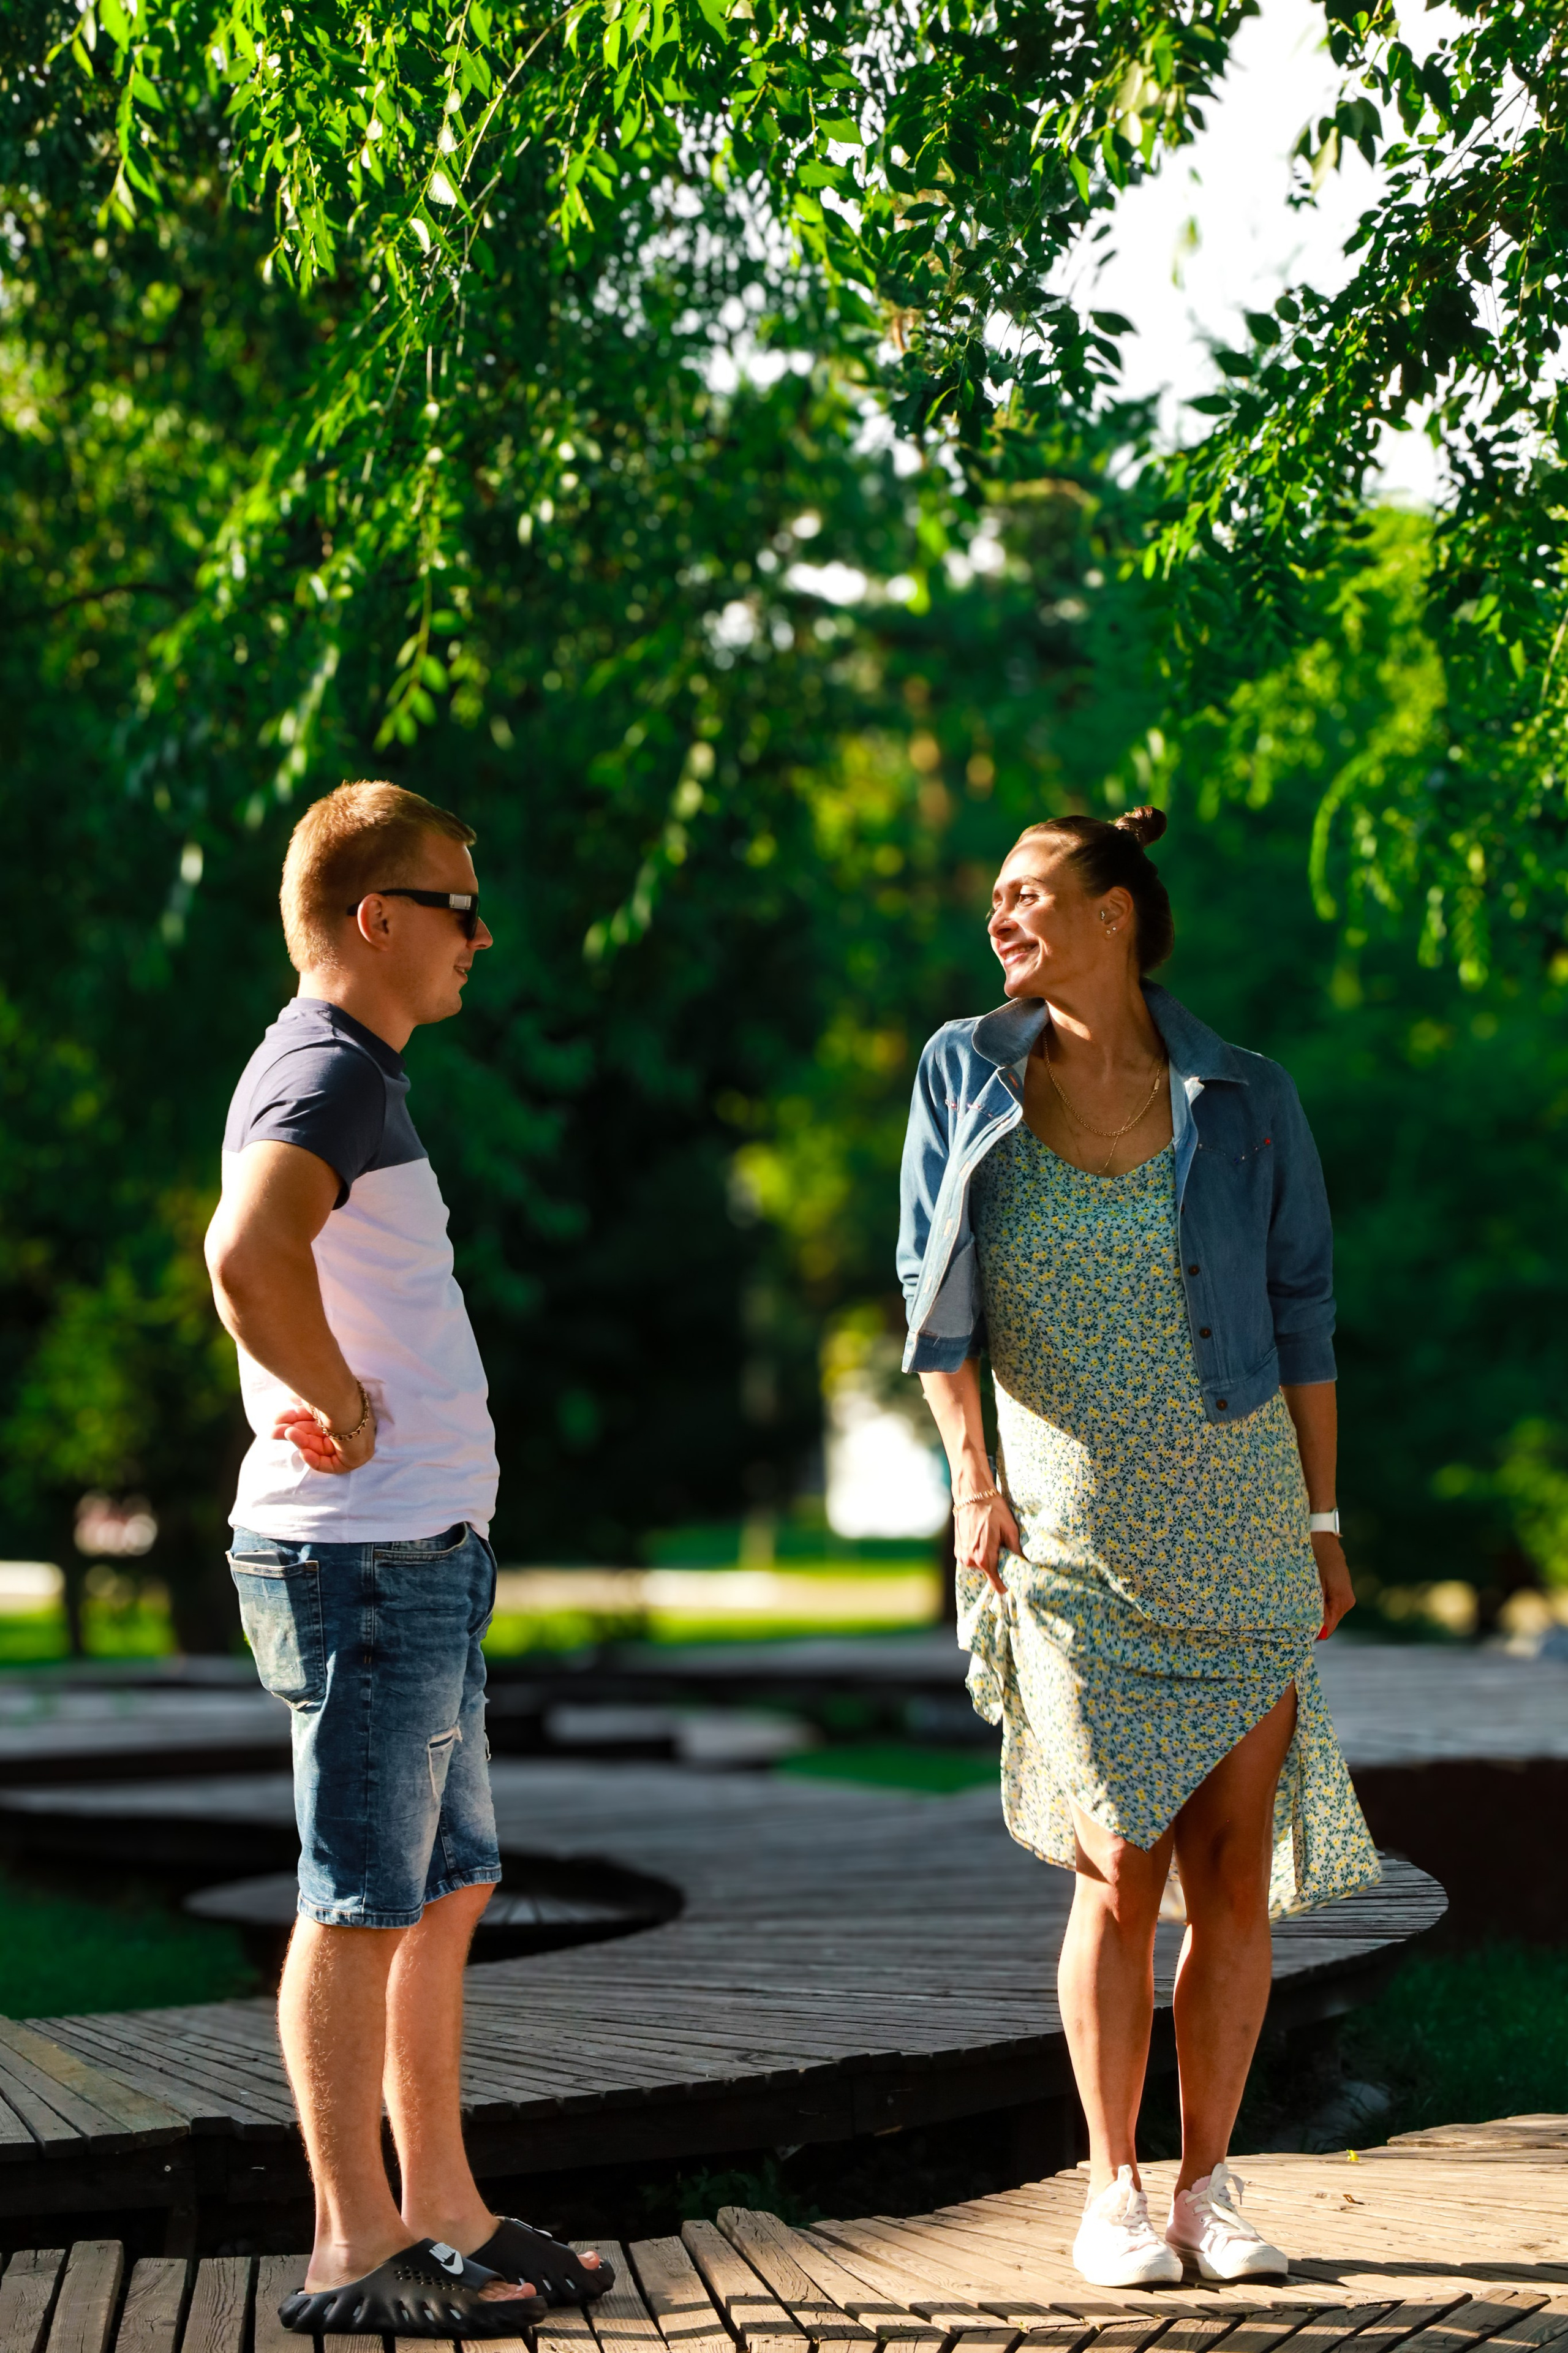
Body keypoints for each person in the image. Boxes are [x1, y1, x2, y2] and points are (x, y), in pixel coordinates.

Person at [897, 807, 1379, 2290]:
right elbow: (930, 1300)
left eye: (1030, 892)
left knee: (1232, 1876)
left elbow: (1302, 1311)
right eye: (993, 897)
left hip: (1236, 1519)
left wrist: (1318, 1524)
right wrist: (970, 1478)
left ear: (1115, 913)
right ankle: (1107, 2185)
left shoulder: (1242, 1095)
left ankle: (1207, 2187)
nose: (1001, 915)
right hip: (1066, 1536)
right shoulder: (961, 1073)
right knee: (1118, 1865)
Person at [205, 781, 611, 2336]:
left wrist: (340, 1397)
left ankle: (440, 2208)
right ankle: (348, 2249)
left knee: (442, 1890)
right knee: (362, 1896)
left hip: (416, 1552)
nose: (478, 934)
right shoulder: (324, 1068)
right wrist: (324, 1396)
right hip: (363, 1562)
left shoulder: (347, 1071)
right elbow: (244, 1256)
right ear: (375, 916)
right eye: (456, 902)